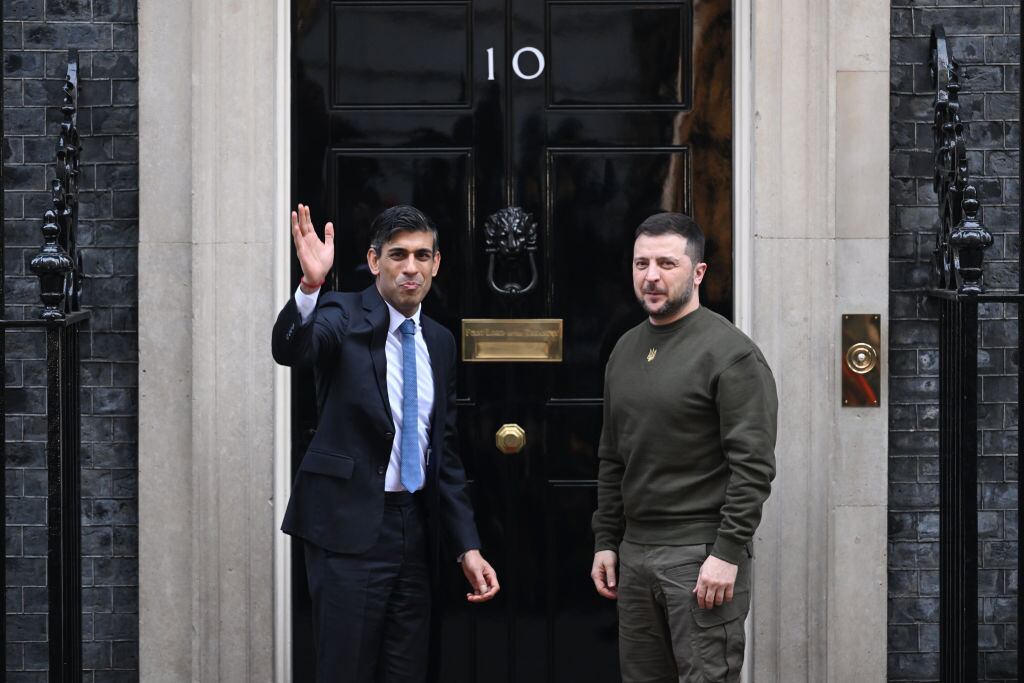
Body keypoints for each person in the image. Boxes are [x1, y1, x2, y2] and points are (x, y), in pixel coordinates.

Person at [273, 204, 499, 682]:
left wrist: (467, 546)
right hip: (348, 529)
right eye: (398, 255)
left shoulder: (439, 341)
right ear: (375, 261)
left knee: (407, 670)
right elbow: (292, 349)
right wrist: (310, 287)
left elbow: (444, 452)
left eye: (422, 255)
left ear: (436, 264)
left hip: (414, 529)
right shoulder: (342, 313)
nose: (411, 267)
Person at [590, 212, 777, 683]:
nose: (651, 276)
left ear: (698, 272)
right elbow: (613, 456)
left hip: (700, 558)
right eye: (642, 264)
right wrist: (606, 541)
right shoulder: (624, 349)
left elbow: (752, 467)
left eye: (667, 264)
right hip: (635, 554)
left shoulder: (731, 354)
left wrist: (727, 552)